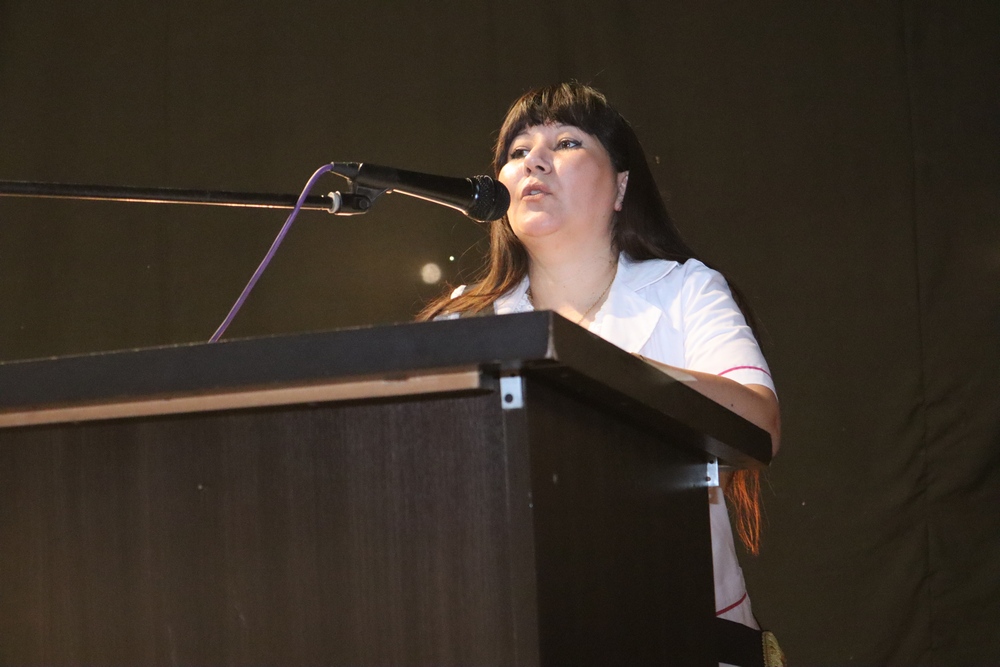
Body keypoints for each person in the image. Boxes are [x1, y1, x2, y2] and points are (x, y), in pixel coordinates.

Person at [419, 82, 783, 664]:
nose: (534, 160)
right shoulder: (464, 322)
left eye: (566, 142)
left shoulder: (684, 289)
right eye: (517, 151)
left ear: (621, 187)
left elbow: (758, 421)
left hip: (685, 638)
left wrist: (585, 364)